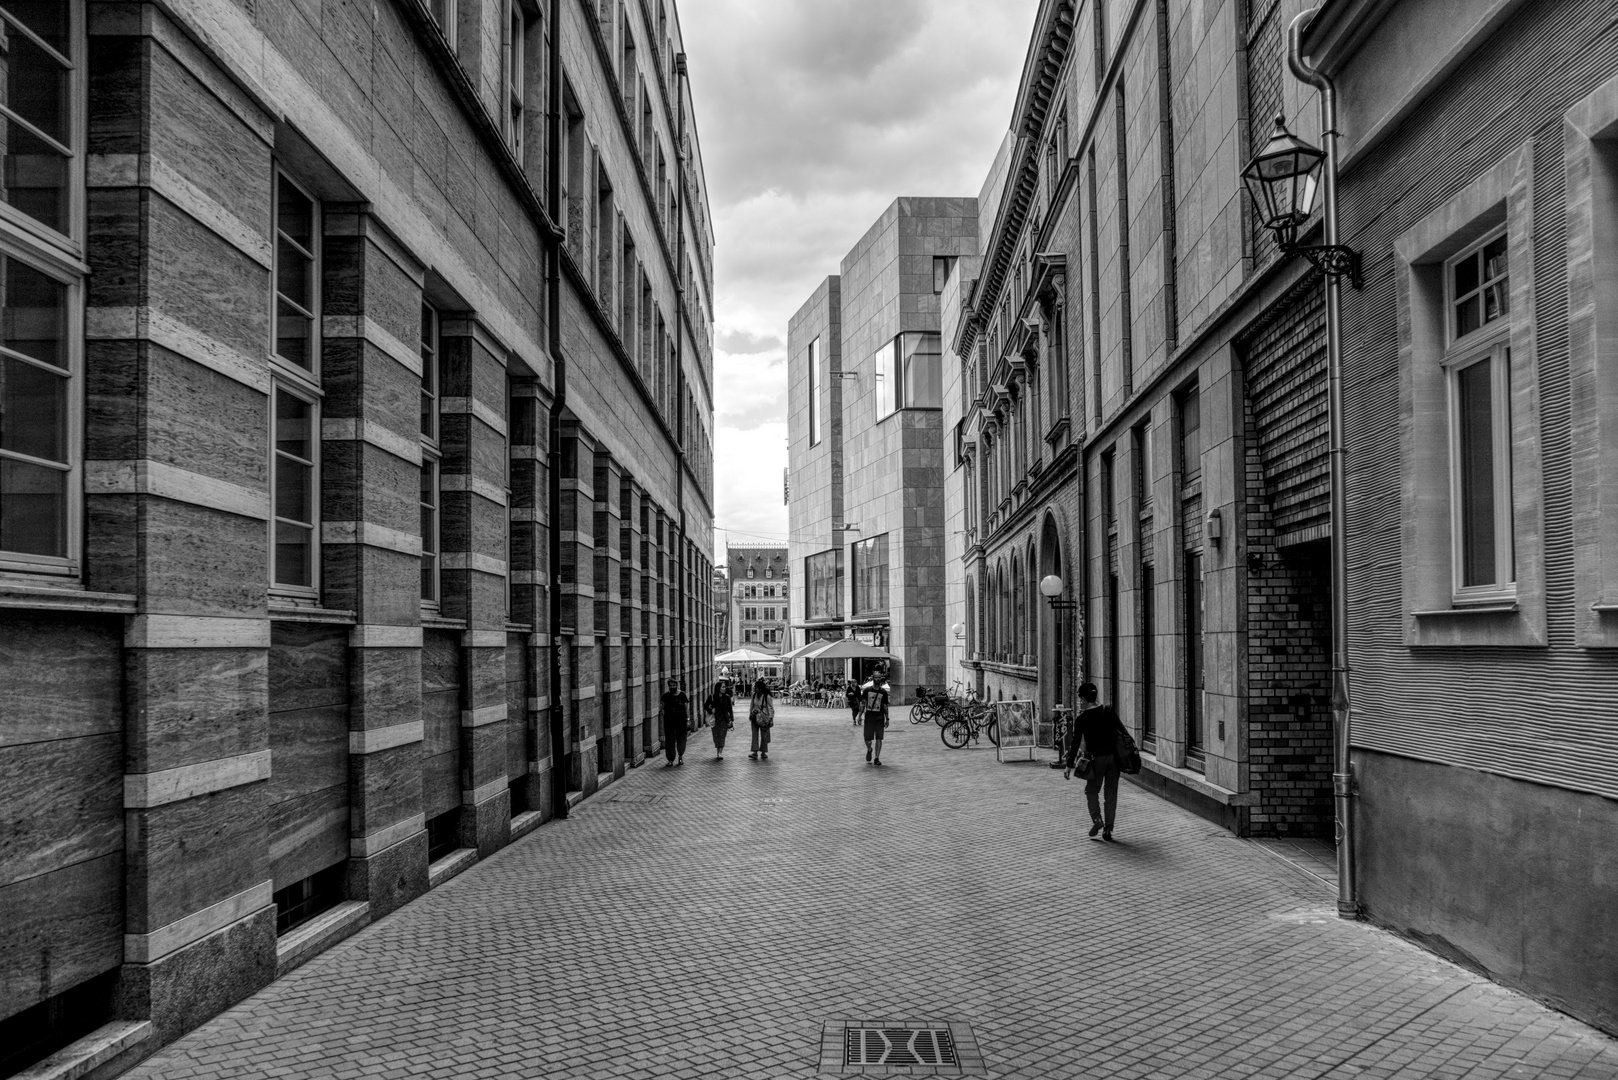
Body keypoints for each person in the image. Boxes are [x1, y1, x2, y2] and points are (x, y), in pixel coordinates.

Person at [1063, 682, 1130, 840]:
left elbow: (1075, 743)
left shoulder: (1082, 719)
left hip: (1096, 760)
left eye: (1080, 698)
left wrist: (1068, 766)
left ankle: (1097, 819)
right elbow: (1122, 732)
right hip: (1113, 760)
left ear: (1085, 698)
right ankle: (1108, 829)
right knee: (1111, 793)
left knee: (1092, 791)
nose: (1080, 701)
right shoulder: (1108, 711)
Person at [859, 672, 890, 765]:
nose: (877, 679)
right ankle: (869, 749)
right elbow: (863, 703)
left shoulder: (883, 692)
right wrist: (859, 715)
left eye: (879, 677)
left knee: (879, 738)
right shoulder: (867, 690)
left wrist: (887, 718)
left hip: (879, 717)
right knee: (867, 739)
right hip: (869, 716)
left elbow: (885, 706)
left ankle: (877, 758)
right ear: (873, 678)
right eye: (876, 677)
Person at [660, 678, 689, 767]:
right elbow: (662, 708)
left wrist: (688, 720)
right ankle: (670, 759)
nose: (672, 687)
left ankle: (680, 757)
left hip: (681, 722)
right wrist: (664, 715)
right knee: (669, 741)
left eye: (674, 685)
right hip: (669, 722)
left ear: (677, 685)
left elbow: (686, 708)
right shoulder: (665, 696)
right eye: (670, 685)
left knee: (681, 739)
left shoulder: (682, 695)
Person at [703, 679, 734, 760]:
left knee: (722, 736)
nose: (724, 688)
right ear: (718, 688)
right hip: (715, 720)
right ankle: (718, 750)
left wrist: (731, 719)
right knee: (716, 736)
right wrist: (710, 710)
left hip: (724, 720)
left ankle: (720, 752)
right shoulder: (712, 696)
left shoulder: (727, 697)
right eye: (722, 687)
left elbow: (730, 709)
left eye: (724, 687)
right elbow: (705, 706)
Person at [748, 678, 775, 760]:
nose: (755, 689)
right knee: (754, 735)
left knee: (764, 735)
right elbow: (751, 705)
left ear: (760, 688)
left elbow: (770, 708)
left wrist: (770, 718)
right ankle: (755, 752)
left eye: (756, 687)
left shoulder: (767, 696)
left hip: (764, 718)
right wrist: (751, 713)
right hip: (755, 717)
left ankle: (763, 752)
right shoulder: (754, 695)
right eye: (754, 687)